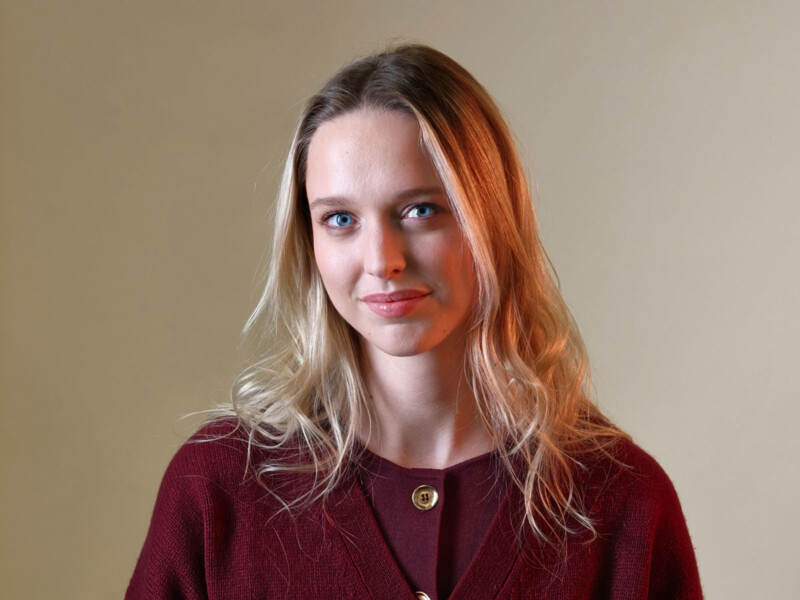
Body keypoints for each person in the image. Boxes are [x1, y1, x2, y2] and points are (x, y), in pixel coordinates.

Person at [127, 44, 702, 599]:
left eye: (420, 210)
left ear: (492, 221)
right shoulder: (218, 488)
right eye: (340, 219)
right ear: (308, 240)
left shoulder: (620, 503)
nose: (382, 260)